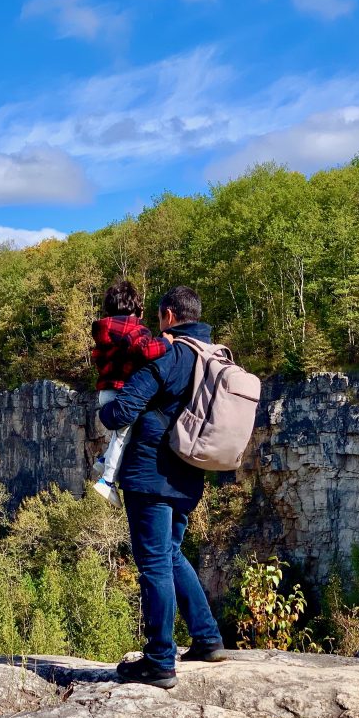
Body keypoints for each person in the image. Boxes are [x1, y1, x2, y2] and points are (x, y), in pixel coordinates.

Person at [99, 285, 226, 689]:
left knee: (154, 564)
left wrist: (106, 405)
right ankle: (206, 638)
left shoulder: (171, 354)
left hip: (150, 475)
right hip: (189, 473)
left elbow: (120, 412)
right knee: (171, 555)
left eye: (159, 318)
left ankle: (159, 660)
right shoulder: (212, 356)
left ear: (169, 315)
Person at [90, 280, 171, 506]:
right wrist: (166, 343)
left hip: (105, 391)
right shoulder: (135, 329)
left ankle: (104, 460)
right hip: (122, 392)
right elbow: (146, 350)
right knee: (124, 435)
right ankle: (107, 481)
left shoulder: (103, 328)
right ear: (136, 308)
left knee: (121, 434)